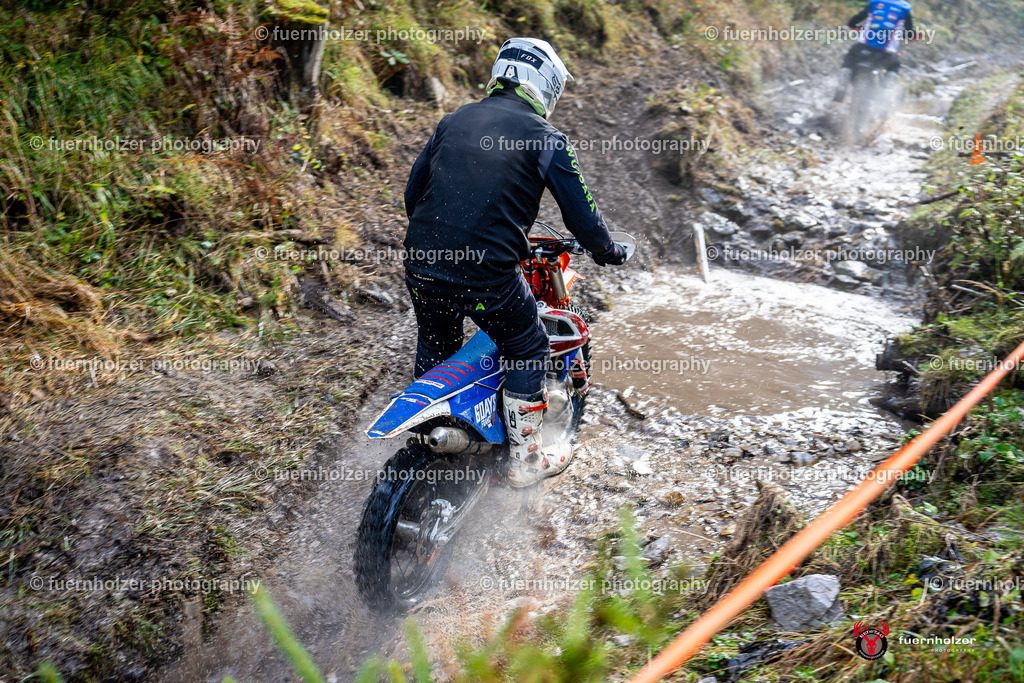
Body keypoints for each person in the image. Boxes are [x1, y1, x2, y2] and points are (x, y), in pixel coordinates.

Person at [402, 37, 627, 487]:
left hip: (421, 263)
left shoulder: (454, 120)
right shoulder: (548, 139)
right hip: (486, 277)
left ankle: (429, 438)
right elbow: (582, 218)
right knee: (526, 346)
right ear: (546, 86)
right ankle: (524, 461)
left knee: (436, 336)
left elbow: (413, 196)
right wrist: (609, 251)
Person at [834, 0, 916, 102]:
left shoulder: (874, 2)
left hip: (863, 48)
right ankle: (886, 95)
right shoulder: (905, 7)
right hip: (886, 53)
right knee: (895, 64)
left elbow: (853, 22)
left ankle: (841, 90)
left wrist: (856, 27)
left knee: (849, 58)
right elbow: (910, 33)